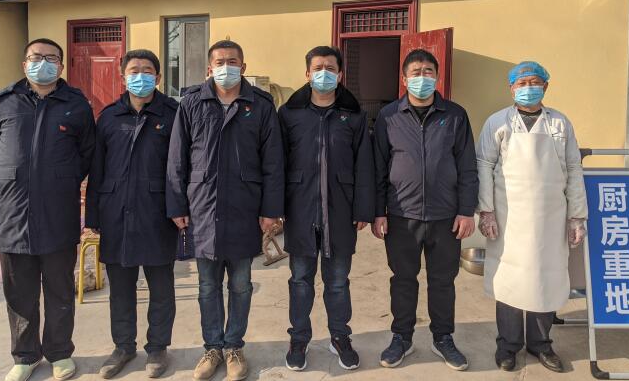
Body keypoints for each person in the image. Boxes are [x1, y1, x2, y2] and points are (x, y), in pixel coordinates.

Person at [0, 38, 95, 381]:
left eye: (51, 58)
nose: (43, 63)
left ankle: (59, 353)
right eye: (36, 57)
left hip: (58, 214)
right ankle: (25, 356)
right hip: (13, 216)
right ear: (24, 63)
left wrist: (61, 181)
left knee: (59, 290)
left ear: (61, 66)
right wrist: (8, 182)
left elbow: (88, 153)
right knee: (19, 293)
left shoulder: (76, 105)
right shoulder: (2, 102)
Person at [166, 40, 284, 381]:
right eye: (220, 62)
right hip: (202, 207)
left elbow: (273, 162)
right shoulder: (191, 103)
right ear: (209, 68)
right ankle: (212, 348)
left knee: (241, 284)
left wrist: (271, 210)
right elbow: (177, 158)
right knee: (207, 285)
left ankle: (233, 346)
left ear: (243, 67)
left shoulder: (260, 105)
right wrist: (177, 204)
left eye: (233, 61)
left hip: (245, 207)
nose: (226, 67)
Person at [476, 61, 588, 373]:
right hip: (508, 218)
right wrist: (486, 211)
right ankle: (508, 345)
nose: (528, 88)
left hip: (550, 218)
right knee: (510, 281)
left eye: (535, 82)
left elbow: (574, 168)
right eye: (522, 83)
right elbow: (483, 165)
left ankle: (541, 344)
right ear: (511, 88)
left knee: (544, 280)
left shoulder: (560, 124)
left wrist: (577, 216)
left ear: (546, 86)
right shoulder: (497, 122)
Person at [372, 49, 478, 371]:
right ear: (404, 79)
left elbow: (467, 166)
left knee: (443, 281)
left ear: (437, 76)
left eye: (428, 71)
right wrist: (379, 212)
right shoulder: (389, 116)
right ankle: (401, 337)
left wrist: (466, 211)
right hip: (402, 215)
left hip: (446, 216)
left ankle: (443, 337)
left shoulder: (455, 115)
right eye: (416, 72)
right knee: (403, 279)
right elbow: (378, 167)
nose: (422, 77)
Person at [278, 46, 375, 372]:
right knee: (300, 280)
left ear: (340, 74)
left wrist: (363, 209)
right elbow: (277, 163)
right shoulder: (289, 114)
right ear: (307, 73)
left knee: (337, 282)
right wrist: (275, 208)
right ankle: (298, 339)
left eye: (330, 68)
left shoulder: (354, 115)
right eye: (317, 68)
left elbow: (364, 165)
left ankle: (340, 337)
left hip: (341, 210)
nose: (324, 73)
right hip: (300, 209)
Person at [85, 49, 178, 379]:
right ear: (123, 76)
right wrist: (92, 218)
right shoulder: (109, 117)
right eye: (134, 70)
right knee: (121, 290)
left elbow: (181, 167)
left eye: (147, 70)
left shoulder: (173, 114)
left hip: (158, 214)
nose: (141, 76)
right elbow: (97, 170)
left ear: (158, 77)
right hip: (116, 214)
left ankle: (158, 348)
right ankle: (123, 347)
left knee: (161, 289)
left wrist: (180, 209)